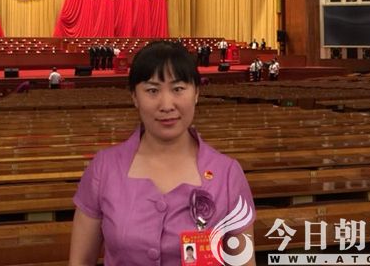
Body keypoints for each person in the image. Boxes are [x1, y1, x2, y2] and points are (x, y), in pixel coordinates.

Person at [69, 41, 256, 265]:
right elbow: (80, 261)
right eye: (152, 90)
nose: (167, 105)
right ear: (134, 97)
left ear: (196, 93)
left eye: (178, 89)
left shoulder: (227, 174)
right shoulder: (104, 169)